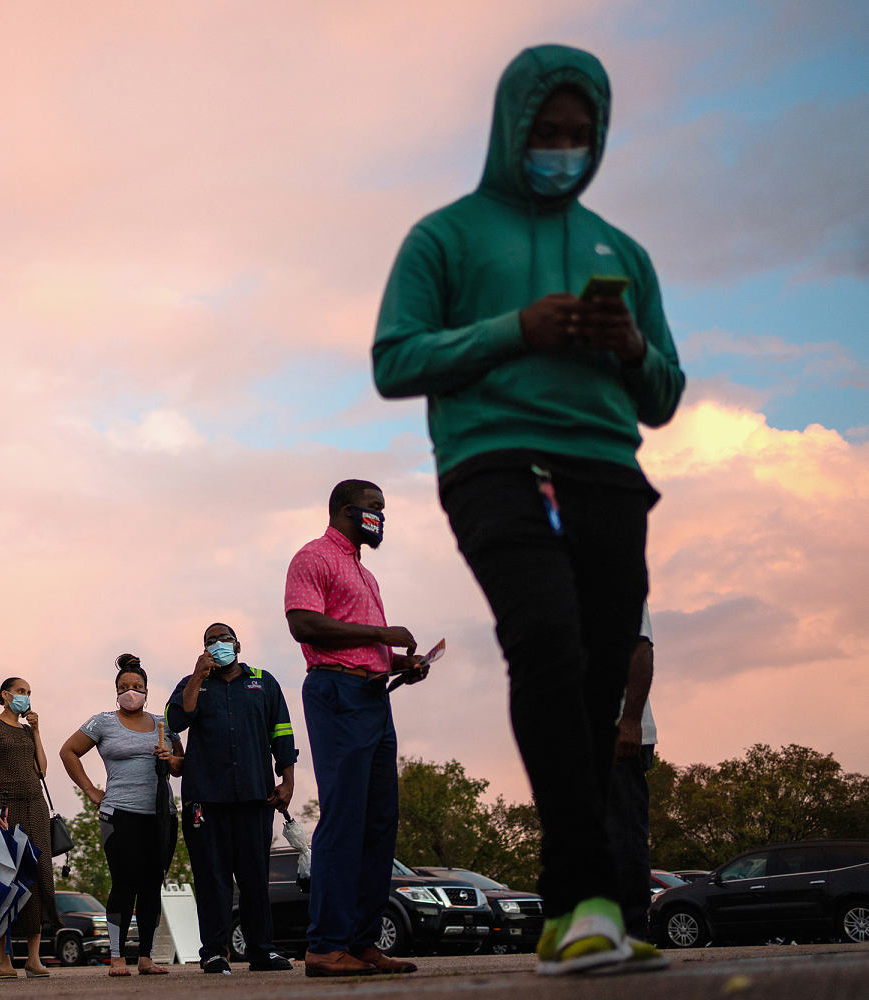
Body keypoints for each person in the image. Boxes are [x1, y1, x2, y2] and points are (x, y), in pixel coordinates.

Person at [372, 44, 684, 975]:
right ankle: (590, 899)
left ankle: (568, 908)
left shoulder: (621, 250)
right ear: (512, 129)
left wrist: (628, 344)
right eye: (546, 133)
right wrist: (518, 328)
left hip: (608, 472)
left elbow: (663, 394)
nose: (562, 149)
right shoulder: (446, 238)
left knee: (596, 676)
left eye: (580, 136)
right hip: (495, 462)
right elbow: (397, 359)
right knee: (545, 641)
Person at [284, 479, 427, 978]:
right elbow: (303, 623)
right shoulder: (314, 557)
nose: (381, 518)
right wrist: (380, 634)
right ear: (348, 510)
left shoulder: (365, 576)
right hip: (335, 694)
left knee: (379, 821)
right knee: (344, 818)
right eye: (375, 509)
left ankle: (361, 942)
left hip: (372, 696)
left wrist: (397, 662)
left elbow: (367, 648)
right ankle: (325, 946)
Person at [165, 624, 297, 974]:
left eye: (224, 639)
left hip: (255, 796)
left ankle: (262, 951)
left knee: (255, 877)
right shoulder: (193, 682)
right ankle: (214, 953)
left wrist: (288, 781)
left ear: (237, 644)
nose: (218, 644)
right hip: (205, 800)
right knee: (212, 879)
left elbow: (281, 730)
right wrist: (197, 675)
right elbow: (175, 720)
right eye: (211, 641)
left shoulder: (263, 681)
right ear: (204, 649)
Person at [59, 654, 183, 976]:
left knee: (153, 884)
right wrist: (90, 790)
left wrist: (170, 759)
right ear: (116, 690)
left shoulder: (163, 724)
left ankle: (146, 957)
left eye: (137, 686)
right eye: (124, 686)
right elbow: (68, 751)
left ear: (147, 690)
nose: (131, 691)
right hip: (120, 814)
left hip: (160, 815)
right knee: (124, 882)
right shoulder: (102, 722)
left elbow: (182, 767)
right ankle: (116, 957)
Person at [0, 677, 56, 978]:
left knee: (37, 876)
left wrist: (36, 731)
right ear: (5, 695)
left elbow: (42, 769)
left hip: (35, 805)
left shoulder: (25, 730)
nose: (25, 697)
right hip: (6, 807)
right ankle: (2, 958)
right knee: (4, 879)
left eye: (29, 693)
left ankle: (33, 958)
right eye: (21, 691)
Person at [606, 603, 658, 938]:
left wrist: (630, 721)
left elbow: (640, 648)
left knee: (622, 837)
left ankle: (632, 933)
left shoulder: (615, 570)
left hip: (616, 733)